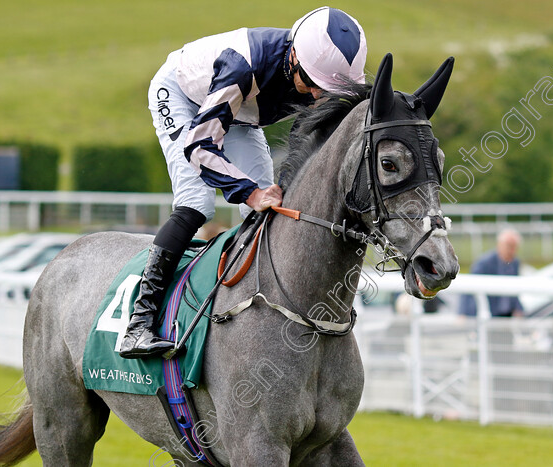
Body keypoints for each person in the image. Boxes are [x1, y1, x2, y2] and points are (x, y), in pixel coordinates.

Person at [119, 7, 368, 359]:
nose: (315, 95)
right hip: (184, 96)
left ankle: (259, 308)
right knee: (197, 204)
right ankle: (138, 323)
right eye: (311, 83)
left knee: (275, 208)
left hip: (241, 112)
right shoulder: (241, 67)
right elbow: (199, 148)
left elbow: (305, 142)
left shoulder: (318, 72)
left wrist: (281, 187)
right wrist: (250, 193)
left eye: (324, 89)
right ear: (293, 56)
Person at [459, 229, 524, 318]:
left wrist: (518, 309)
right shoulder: (485, 263)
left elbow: (515, 290)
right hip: (488, 312)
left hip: (507, 313)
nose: (512, 250)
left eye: (514, 247)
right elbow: (469, 287)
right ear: (499, 245)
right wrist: (462, 313)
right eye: (509, 246)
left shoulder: (515, 263)